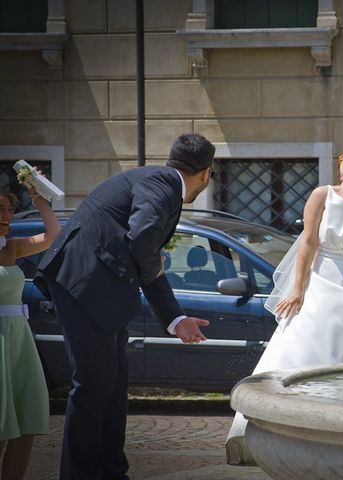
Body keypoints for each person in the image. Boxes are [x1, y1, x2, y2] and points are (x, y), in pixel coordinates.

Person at [36, 133, 215, 479]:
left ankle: (110, 471)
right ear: (207, 173)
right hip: (84, 284)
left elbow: (142, 248)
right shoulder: (162, 184)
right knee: (92, 387)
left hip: (99, 291)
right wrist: (155, 264)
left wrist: (175, 318)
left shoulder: (157, 180)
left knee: (113, 388)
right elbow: (143, 236)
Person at [225, 147, 343, 464]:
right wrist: (297, 289)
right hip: (320, 284)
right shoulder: (322, 195)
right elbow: (308, 241)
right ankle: (277, 429)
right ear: (339, 168)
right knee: (302, 344)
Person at [0, 186, 60, 480]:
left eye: (10, 209)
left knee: (25, 422)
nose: (6, 216)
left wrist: (39, 199)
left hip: (17, 338)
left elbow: (53, 236)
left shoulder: (12, 247)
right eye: (0, 209)